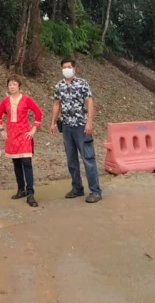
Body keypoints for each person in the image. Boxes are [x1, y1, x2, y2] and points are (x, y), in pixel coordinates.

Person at [50, 58, 102, 204]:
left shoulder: (82, 84)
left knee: (88, 159)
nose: (67, 69)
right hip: (66, 127)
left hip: (82, 126)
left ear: (74, 69)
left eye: (69, 67)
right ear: (61, 69)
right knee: (71, 160)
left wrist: (89, 122)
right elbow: (56, 104)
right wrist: (53, 122)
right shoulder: (59, 86)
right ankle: (77, 187)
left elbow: (90, 102)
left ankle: (95, 191)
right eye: (64, 67)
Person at [0, 76, 43, 207]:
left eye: (14, 84)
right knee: (16, 163)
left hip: (24, 135)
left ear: (19, 86)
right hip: (11, 135)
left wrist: (34, 130)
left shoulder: (26, 99)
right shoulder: (5, 101)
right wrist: (2, 130)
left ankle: (30, 194)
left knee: (26, 162)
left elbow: (38, 113)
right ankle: (20, 189)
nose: (12, 86)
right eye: (10, 84)